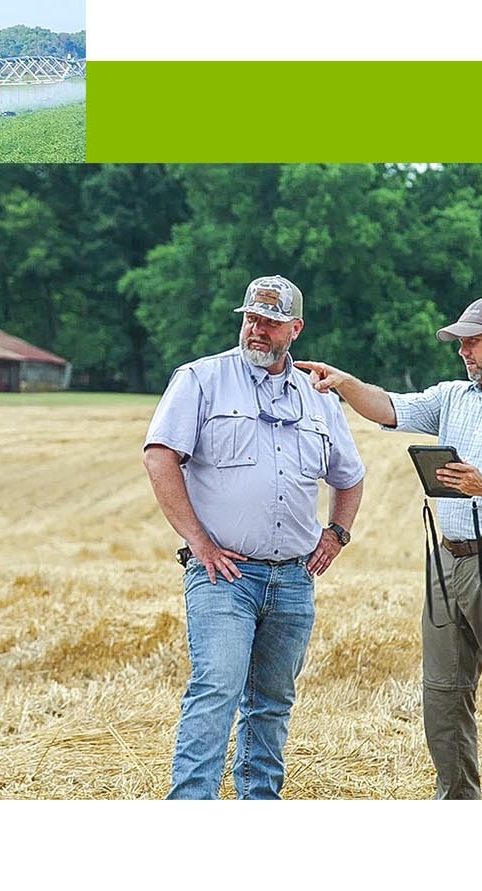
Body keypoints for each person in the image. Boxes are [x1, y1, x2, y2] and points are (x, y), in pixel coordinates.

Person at [294, 295, 482, 799]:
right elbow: (390, 408)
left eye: (472, 341)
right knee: (442, 697)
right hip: (447, 560)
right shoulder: (454, 398)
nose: (463, 352)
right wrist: (343, 384)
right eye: (460, 343)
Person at [144, 275, 365, 799]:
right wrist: (198, 542)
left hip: (293, 579)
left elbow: (349, 475)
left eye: (269, 322)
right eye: (250, 319)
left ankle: (259, 805)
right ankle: (192, 806)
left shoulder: (319, 397)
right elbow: (159, 455)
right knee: (216, 689)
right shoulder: (201, 379)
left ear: (295, 328)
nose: (257, 331)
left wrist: (337, 532)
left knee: (272, 701)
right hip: (226, 576)